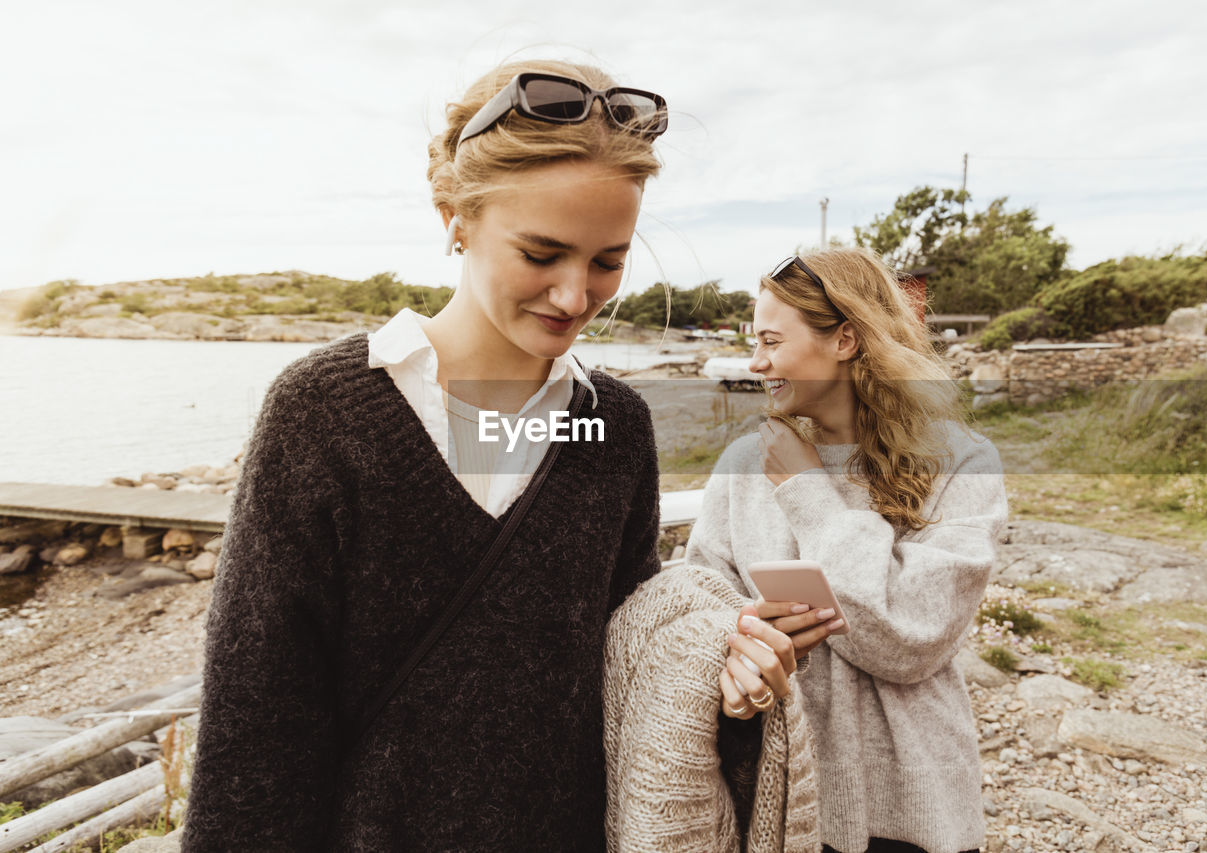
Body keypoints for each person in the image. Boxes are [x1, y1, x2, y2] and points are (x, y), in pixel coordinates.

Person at [182, 59, 668, 851]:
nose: (576, 295)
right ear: (454, 216)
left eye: (608, 260)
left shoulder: (613, 429)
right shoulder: (323, 416)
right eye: (542, 253)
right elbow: (255, 733)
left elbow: (630, 660)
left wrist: (720, 651)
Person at [684, 248, 1007, 853]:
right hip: (782, 792)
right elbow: (698, 610)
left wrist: (808, 491)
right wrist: (745, 640)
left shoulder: (962, 464)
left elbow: (912, 636)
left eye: (772, 342)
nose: (756, 364)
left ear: (846, 340)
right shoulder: (742, 467)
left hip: (912, 806)